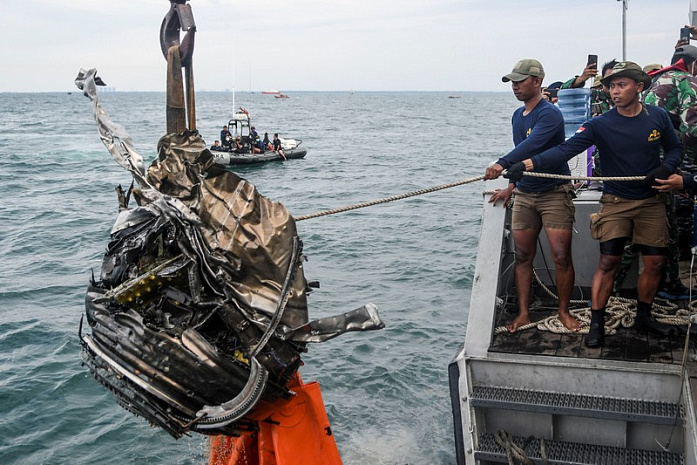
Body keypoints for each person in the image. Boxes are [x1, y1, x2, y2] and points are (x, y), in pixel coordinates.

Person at [501, 61, 682, 348]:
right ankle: (597, 322)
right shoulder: (600, 124)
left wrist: (667, 167)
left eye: (621, 85)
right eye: (611, 85)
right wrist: (525, 164)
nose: (614, 91)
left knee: (656, 262)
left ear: (639, 86)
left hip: (651, 201)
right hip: (616, 201)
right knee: (608, 261)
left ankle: (644, 316)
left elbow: (675, 148)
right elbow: (565, 149)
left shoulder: (658, 117)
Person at [483, 59, 581, 333]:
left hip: (553, 193)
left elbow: (534, 144)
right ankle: (524, 313)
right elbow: (522, 155)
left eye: (520, 81)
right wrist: (511, 187)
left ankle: (564, 311)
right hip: (525, 193)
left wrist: (500, 163)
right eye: (512, 82)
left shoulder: (550, 114)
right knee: (523, 255)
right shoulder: (517, 115)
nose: (514, 86)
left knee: (561, 256)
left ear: (537, 81)